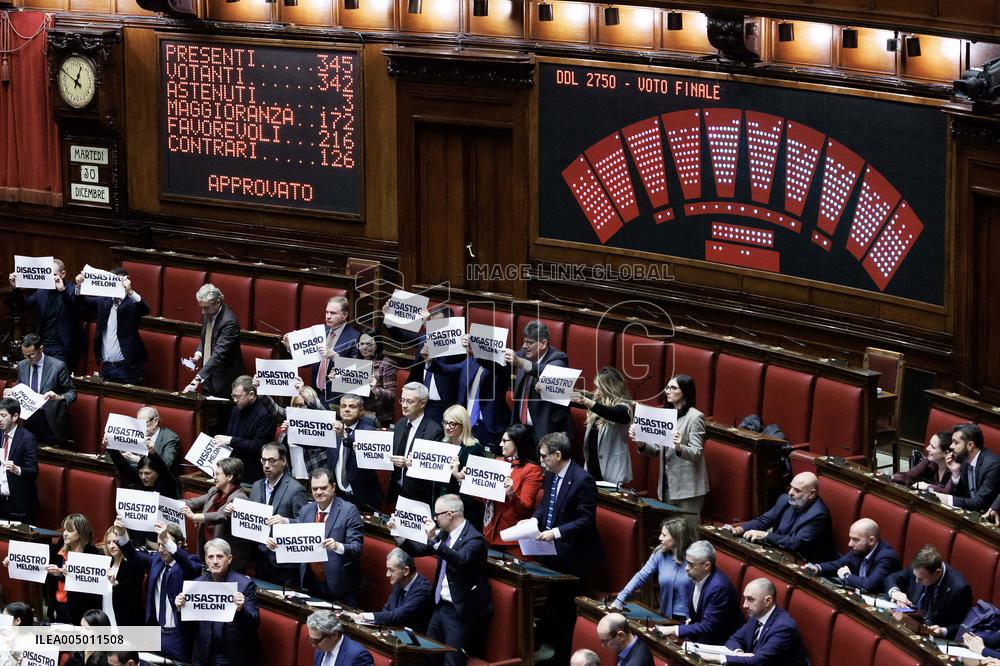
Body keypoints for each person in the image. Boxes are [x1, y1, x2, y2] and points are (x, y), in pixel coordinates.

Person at [394, 493, 492, 666]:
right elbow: (419, 550)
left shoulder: (475, 539)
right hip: (440, 607)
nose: (434, 519)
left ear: (449, 514)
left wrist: (435, 541)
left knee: (452, 662)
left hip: (461, 612)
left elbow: (460, 560)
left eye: (437, 515)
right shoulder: (445, 535)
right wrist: (398, 535)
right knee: (429, 656)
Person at [533, 432, 604, 665]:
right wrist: (533, 521)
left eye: (544, 456)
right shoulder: (551, 475)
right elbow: (546, 505)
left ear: (557, 454)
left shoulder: (583, 480)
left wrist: (556, 531)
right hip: (552, 551)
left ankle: (563, 657)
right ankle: (550, 645)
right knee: (553, 602)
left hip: (576, 556)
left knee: (566, 608)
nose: (541, 460)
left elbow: (586, 520)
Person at [267, 467, 363, 604]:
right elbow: (299, 532)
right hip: (311, 582)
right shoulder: (307, 509)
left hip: (340, 585)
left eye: (323, 488)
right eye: (315, 489)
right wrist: (276, 544)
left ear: (333, 487)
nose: (319, 492)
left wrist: (337, 546)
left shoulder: (349, 510)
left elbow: (357, 548)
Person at [115, 521, 201, 662]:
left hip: (178, 636)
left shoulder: (190, 562)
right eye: (159, 544)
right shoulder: (157, 560)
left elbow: (191, 567)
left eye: (165, 544)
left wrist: (167, 540)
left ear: (178, 545)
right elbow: (132, 555)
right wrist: (122, 533)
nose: (161, 549)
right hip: (156, 633)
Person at [633, 374, 708, 525]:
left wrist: (679, 447)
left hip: (688, 490)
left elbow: (696, 453)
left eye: (673, 388)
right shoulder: (666, 415)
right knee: (671, 534)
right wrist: (640, 442)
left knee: (687, 533)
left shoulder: (695, 417)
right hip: (667, 487)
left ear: (685, 391)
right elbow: (656, 450)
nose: (667, 391)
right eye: (667, 387)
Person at [176, 538, 259, 665]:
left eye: (219, 556)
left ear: (229, 559)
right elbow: (187, 628)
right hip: (203, 654)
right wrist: (180, 608)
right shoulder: (197, 585)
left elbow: (255, 622)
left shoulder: (245, 585)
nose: (215, 561)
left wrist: (241, 609)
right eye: (211, 557)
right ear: (206, 560)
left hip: (232, 657)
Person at [728, 471, 836, 563]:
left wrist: (766, 536)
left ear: (811, 494)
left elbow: (795, 543)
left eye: (797, 490)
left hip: (804, 562)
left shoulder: (819, 515)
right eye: (791, 487)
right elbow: (764, 520)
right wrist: (739, 530)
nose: (790, 493)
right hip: (780, 551)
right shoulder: (784, 500)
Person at [385, 304, 463, 426]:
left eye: (439, 324)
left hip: (441, 406)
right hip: (419, 403)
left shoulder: (456, 346)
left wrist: (429, 327)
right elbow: (402, 336)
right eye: (432, 323)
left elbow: (444, 356)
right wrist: (389, 318)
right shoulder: (424, 339)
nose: (434, 327)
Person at [245, 443, 309, 585]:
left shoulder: (296, 490)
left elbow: (306, 525)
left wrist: (286, 521)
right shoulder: (256, 486)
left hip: (284, 562)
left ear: (284, 461)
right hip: (260, 556)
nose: (267, 465)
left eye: (272, 460)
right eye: (263, 460)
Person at [707, 578, 809, 665]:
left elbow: (758, 660)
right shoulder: (757, 616)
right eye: (745, 598)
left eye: (750, 599)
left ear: (767, 601)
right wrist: (739, 653)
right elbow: (734, 639)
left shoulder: (783, 627)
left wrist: (718, 658)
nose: (745, 605)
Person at [74, 267, 150, 384]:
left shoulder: (131, 303)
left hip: (128, 367)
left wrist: (130, 292)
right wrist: (79, 287)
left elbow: (145, 309)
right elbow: (82, 304)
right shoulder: (104, 301)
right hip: (107, 366)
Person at [657, 541, 743, 644]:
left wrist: (674, 630)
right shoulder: (696, 575)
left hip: (721, 641)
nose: (686, 568)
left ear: (706, 565)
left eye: (691, 565)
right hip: (701, 635)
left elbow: (708, 626)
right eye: (687, 562)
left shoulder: (719, 588)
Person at [613, 518, 696, 620]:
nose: (660, 538)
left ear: (677, 538)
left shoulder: (696, 559)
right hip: (665, 617)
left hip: (689, 620)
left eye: (664, 535)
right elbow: (641, 576)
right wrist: (620, 598)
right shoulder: (660, 553)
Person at [286, 296, 361, 407]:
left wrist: (336, 357)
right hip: (314, 394)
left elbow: (357, 374)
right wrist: (291, 349)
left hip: (337, 399)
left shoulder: (355, 338)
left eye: (333, 313)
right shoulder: (319, 332)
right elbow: (305, 363)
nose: (328, 316)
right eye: (326, 312)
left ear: (345, 315)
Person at [8, 257, 83, 369]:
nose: (50, 279)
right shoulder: (42, 291)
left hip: (62, 349)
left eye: (53, 275)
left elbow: (75, 311)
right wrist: (15, 288)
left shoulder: (72, 290)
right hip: (41, 347)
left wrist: (62, 291)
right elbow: (23, 305)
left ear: (62, 274)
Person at [482, 424, 543, 558]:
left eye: (504, 441)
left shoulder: (531, 470)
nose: (500, 444)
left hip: (513, 538)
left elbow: (526, 508)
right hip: (490, 532)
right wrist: (463, 480)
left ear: (517, 442)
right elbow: (483, 497)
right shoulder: (497, 461)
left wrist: (511, 495)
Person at [885, 544, 972, 639]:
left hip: (932, 635)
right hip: (909, 620)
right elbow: (892, 578)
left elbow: (964, 625)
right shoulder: (920, 566)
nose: (916, 581)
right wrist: (895, 592)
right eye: (915, 576)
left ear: (937, 572)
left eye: (921, 579)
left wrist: (943, 630)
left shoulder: (959, 588)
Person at [505, 320, 572, 441]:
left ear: (543, 343)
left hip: (546, 434)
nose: (525, 346)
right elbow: (503, 363)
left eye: (529, 342)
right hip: (520, 430)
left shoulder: (558, 358)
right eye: (524, 341)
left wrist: (520, 362)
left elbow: (548, 372)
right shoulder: (524, 353)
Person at [182, 458, 251, 572]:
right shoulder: (214, 491)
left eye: (217, 474)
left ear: (229, 477)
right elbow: (193, 502)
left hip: (227, 562)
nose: (214, 477)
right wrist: (165, 501)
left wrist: (195, 517)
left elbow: (221, 515)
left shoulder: (240, 498)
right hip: (208, 552)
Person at [343, 547, 433, 633]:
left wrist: (362, 617)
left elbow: (398, 615)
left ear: (405, 571)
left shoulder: (423, 591)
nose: (387, 574)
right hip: (394, 634)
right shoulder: (400, 581)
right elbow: (387, 610)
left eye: (391, 570)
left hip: (415, 642)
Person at [8, 333, 76, 445]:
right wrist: (13, 392)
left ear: (41, 349)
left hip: (51, 422)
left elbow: (72, 393)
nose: (27, 359)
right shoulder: (21, 365)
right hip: (28, 421)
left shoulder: (58, 366)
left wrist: (59, 397)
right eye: (24, 355)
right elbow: (21, 387)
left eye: (31, 355)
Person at [804, 518, 901, 593]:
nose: (850, 544)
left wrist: (847, 576)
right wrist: (817, 568)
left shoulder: (886, 557)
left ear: (871, 540)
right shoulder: (860, 549)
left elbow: (869, 584)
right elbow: (838, 564)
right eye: (850, 538)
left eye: (855, 539)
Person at [572, 366, 634, 485]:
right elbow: (576, 395)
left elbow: (611, 413)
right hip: (592, 466)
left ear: (609, 388)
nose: (597, 391)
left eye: (599, 387)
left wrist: (586, 401)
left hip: (612, 469)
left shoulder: (624, 409)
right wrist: (545, 388)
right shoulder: (598, 402)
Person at [257, 375, 330, 473]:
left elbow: (323, 412)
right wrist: (261, 389)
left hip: (315, 471)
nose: (298, 409)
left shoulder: (321, 424)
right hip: (293, 474)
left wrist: (302, 392)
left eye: (302, 405)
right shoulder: (290, 419)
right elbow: (275, 409)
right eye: (296, 405)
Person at [212, 376, 277, 484]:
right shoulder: (236, 410)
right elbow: (229, 435)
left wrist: (231, 440)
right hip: (234, 468)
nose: (235, 400)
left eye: (238, 397)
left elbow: (259, 446)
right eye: (233, 396)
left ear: (251, 394)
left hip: (254, 472)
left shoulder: (265, 414)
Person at [388, 382, 445, 507]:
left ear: (422, 403)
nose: (404, 405)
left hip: (418, 495)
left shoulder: (434, 431)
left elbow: (432, 467)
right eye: (402, 400)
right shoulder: (400, 424)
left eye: (409, 401)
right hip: (396, 491)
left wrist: (409, 464)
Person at [185, 284, 245, 399]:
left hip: (224, 381)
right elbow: (206, 338)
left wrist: (197, 379)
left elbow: (219, 354)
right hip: (207, 376)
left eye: (206, 307)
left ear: (218, 302)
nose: (203, 312)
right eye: (201, 307)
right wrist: (197, 356)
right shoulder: (209, 312)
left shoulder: (229, 322)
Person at [328, 393, 383, 512]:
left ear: (361, 411)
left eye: (352, 406)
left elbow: (368, 459)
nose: (346, 409)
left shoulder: (370, 432)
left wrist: (344, 435)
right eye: (343, 406)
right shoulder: (332, 429)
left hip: (363, 499)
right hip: (338, 496)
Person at [456, 333, 511, 451]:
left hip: (490, 426)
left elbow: (494, 365)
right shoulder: (471, 362)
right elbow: (449, 370)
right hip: (469, 424)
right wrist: (431, 361)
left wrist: (475, 352)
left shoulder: (503, 365)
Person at [44, 514, 102, 625]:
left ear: (81, 532)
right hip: (58, 604)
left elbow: (90, 584)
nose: (65, 533)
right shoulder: (61, 545)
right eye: (65, 529)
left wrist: (61, 573)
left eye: (70, 531)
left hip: (80, 607)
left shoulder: (90, 551)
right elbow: (40, 561)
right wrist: (13, 560)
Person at [934, 423, 1000, 511]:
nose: (951, 446)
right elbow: (960, 495)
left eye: (956, 442)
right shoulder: (965, 461)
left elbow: (979, 503)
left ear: (970, 445)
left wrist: (946, 499)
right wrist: (955, 472)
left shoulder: (993, 465)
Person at [444, 404, 491, 529]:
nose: (447, 427)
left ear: (463, 425)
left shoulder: (475, 449)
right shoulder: (441, 444)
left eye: (452, 424)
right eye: (445, 422)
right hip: (444, 505)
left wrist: (458, 476)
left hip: (466, 510)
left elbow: (478, 488)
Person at [0, 397, 38, 523]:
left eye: (3, 415)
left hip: (18, 505)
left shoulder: (27, 439)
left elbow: (33, 471)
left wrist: (17, 469)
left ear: (15, 416)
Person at [101, 522, 145, 626]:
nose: (112, 546)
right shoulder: (105, 563)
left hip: (126, 621)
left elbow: (134, 594)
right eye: (108, 542)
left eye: (116, 542)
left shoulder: (132, 563)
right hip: (105, 616)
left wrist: (116, 583)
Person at [359, 329, 397, 428]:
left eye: (369, 344)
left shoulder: (386, 364)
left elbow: (392, 395)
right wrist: (337, 380)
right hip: (356, 410)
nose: (364, 347)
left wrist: (376, 390)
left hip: (377, 415)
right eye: (361, 344)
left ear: (378, 344)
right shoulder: (354, 362)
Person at [306, 609, 374, 666]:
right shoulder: (321, 647)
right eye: (311, 640)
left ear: (334, 635)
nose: (313, 645)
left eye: (316, 641)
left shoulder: (358, 656)